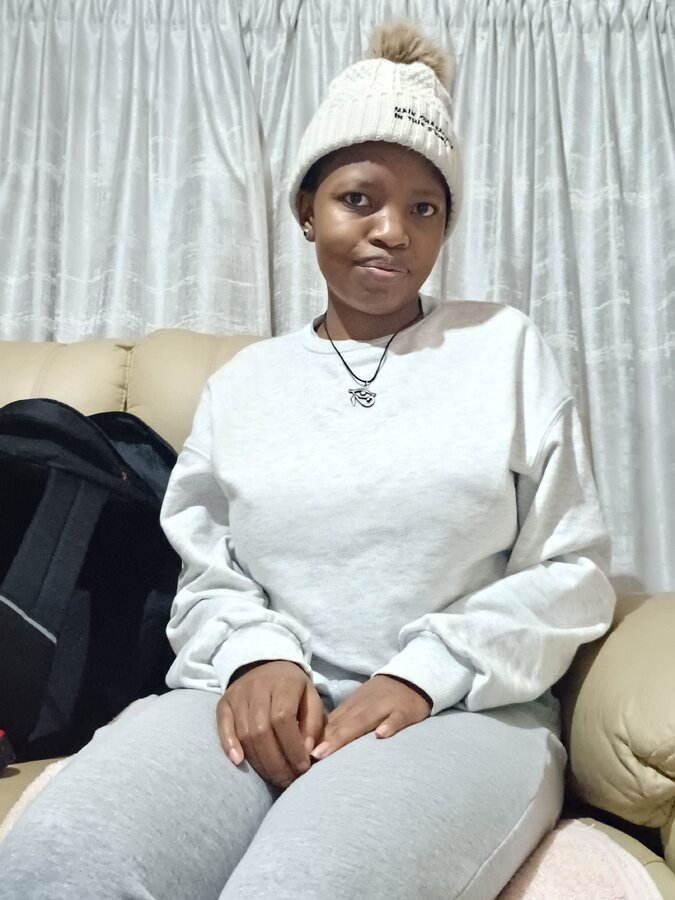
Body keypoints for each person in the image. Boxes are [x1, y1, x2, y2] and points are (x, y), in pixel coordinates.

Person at [0, 21, 616, 900]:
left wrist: (424, 673)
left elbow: (571, 569)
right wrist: (255, 657)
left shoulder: (503, 349)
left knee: (304, 885)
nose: (392, 231)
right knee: (61, 859)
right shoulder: (245, 385)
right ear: (306, 210)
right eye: (359, 198)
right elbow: (205, 572)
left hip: (463, 710)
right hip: (247, 697)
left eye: (424, 208)